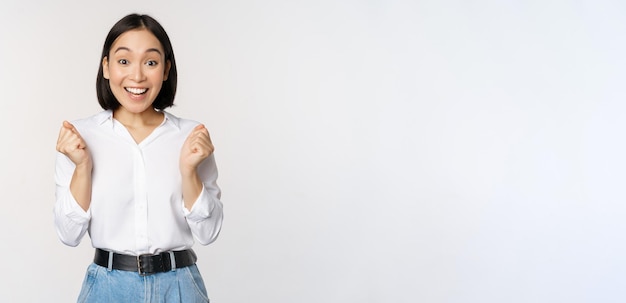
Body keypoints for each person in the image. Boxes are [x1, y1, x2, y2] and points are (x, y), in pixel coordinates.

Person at [54, 13, 223, 303]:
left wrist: (189, 172)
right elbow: (69, 235)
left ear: (166, 70)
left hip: (180, 286)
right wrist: (82, 167)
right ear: (106, 67)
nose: (137, 76)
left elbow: (208, 233)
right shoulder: (80, 137)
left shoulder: (191, 137)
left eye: (151, 62)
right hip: (108, 288)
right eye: (123, 61)